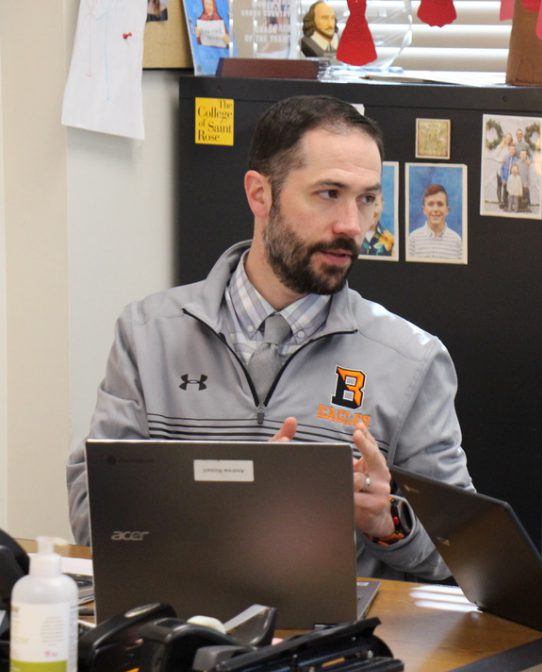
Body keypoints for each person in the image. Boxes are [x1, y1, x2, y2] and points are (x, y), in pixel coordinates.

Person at [66, 95, 473, 582]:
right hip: (175, 629)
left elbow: (464, 554)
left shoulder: (412, 359)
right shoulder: (148, 333)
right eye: (328, 193)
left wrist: (387, 525)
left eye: (367, 199)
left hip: (330, 644)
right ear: (260, 195)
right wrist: (237, 503)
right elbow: (95, 518)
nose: (351, 225)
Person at [407, 184, 463, 260]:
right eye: (430, 204)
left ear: (447, 210)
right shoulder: (413, 239)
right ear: (424, 210)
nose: (435, 209)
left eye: (440, 204)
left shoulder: (457, 241)